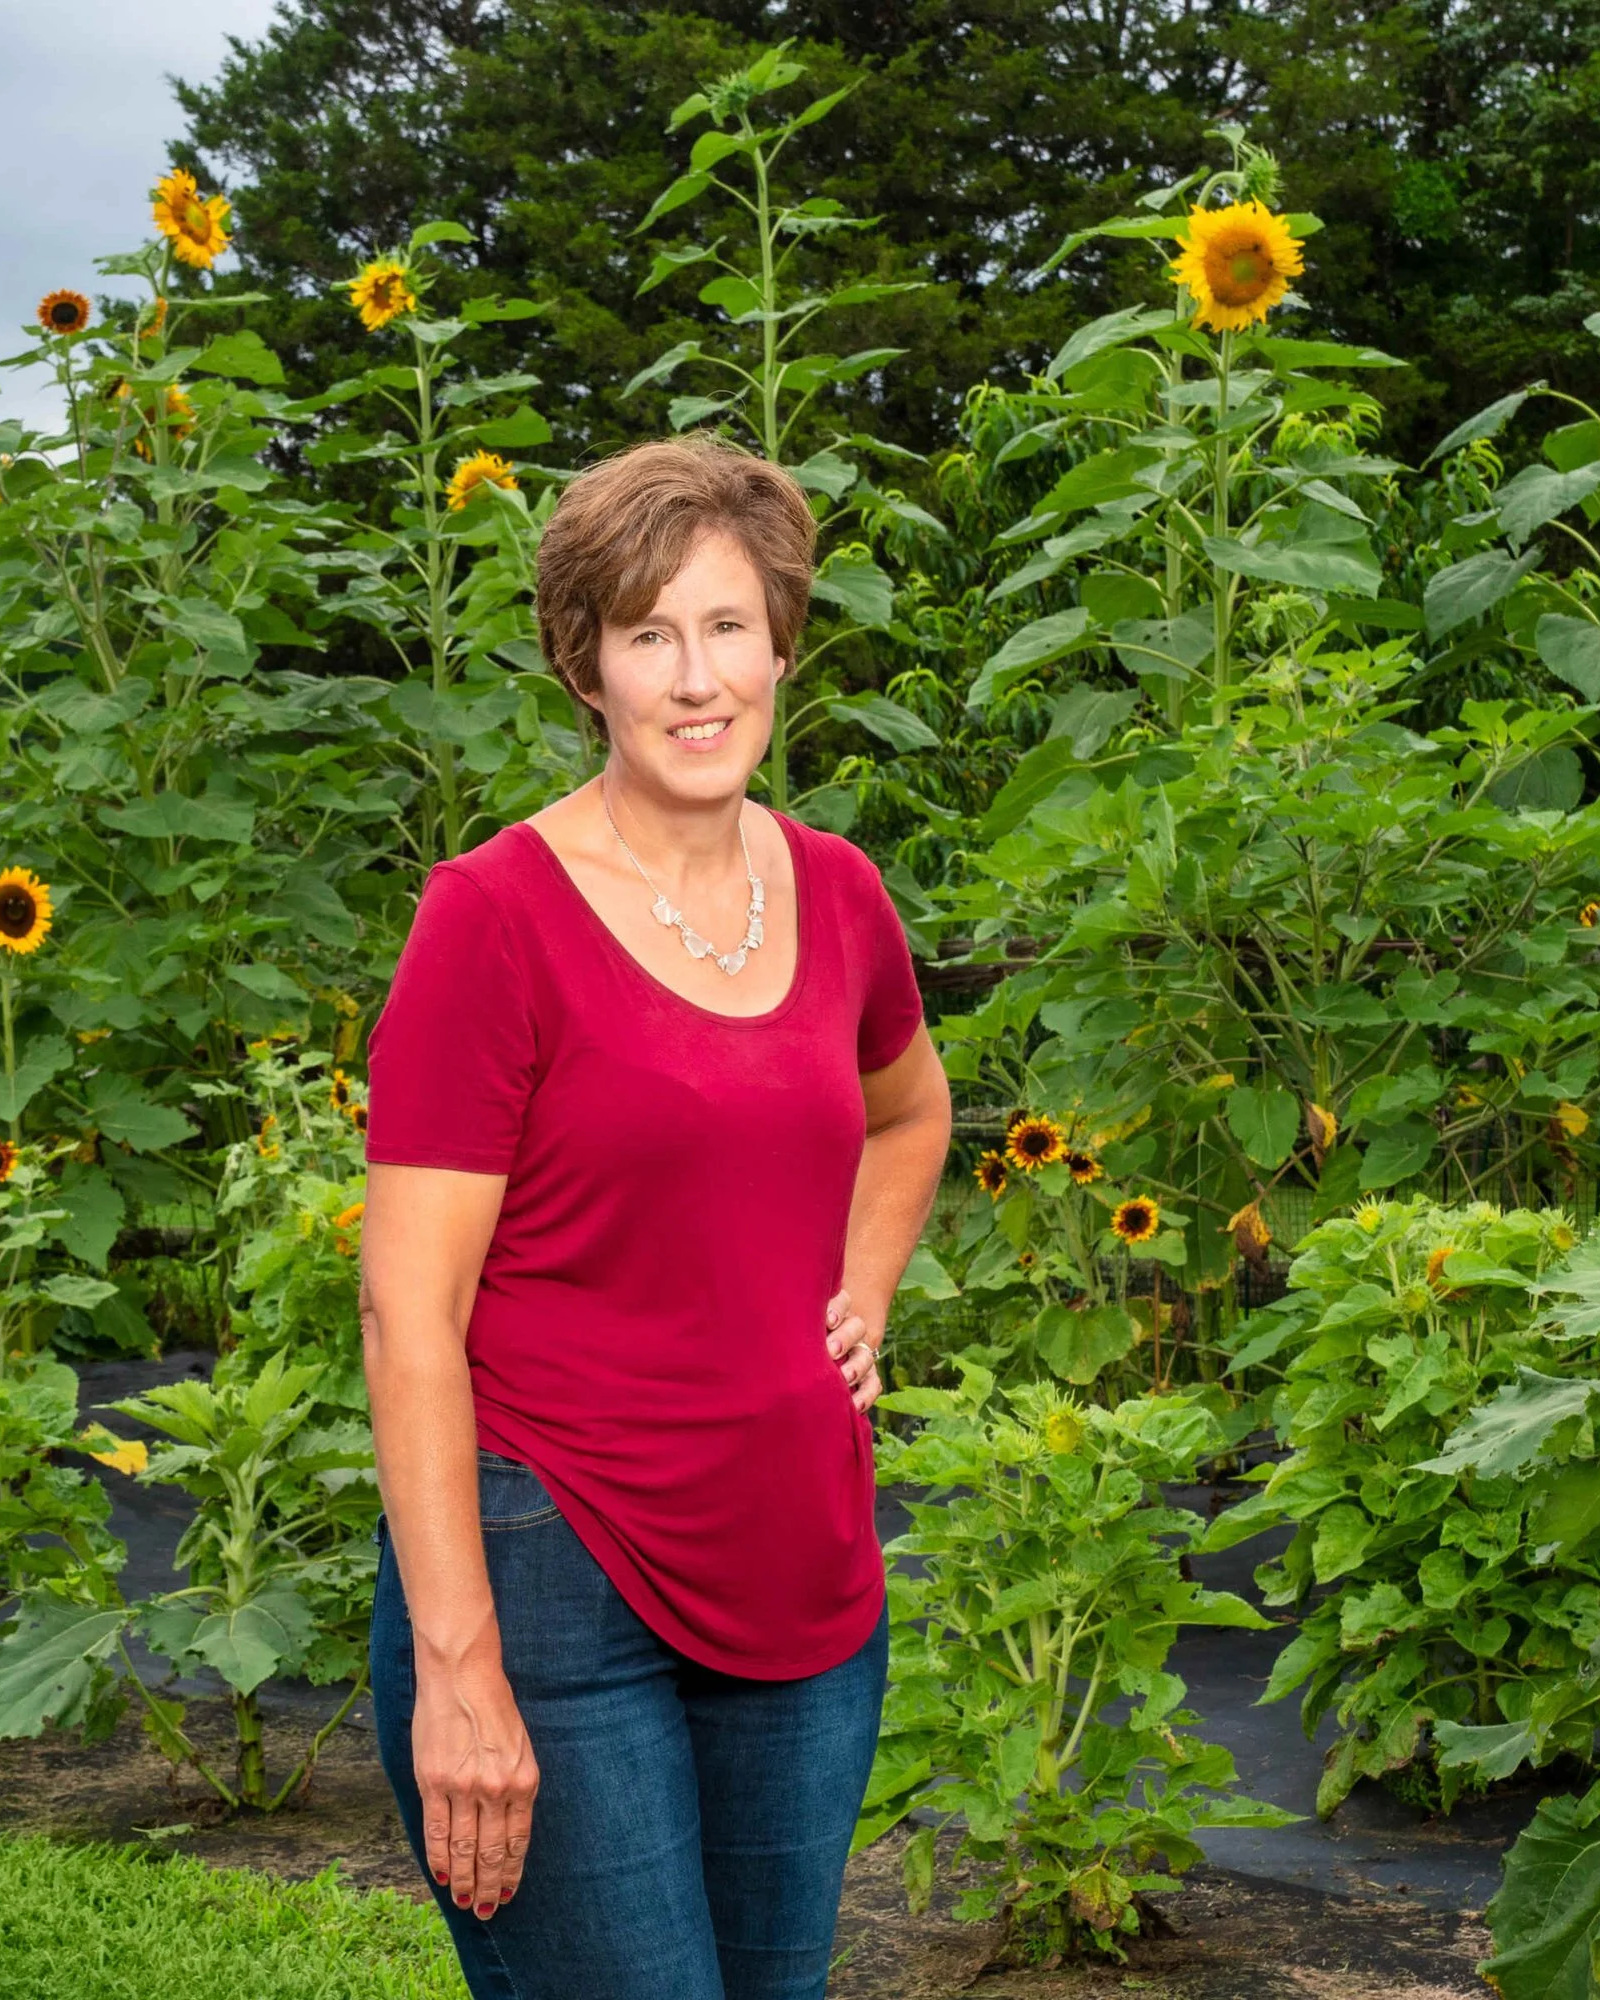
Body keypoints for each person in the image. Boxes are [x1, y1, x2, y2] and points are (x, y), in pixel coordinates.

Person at [359, 433, 953, 2000]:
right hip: (556, 1572)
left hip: (804, 1568)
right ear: (589, 666)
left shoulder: (839, 892)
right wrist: (459, 1666)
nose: (698, 679)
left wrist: (863, 1295)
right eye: (649, 634)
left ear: (781, 646)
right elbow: (405, 1314)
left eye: (729, 628)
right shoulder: (493, 919)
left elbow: (913, 1110)